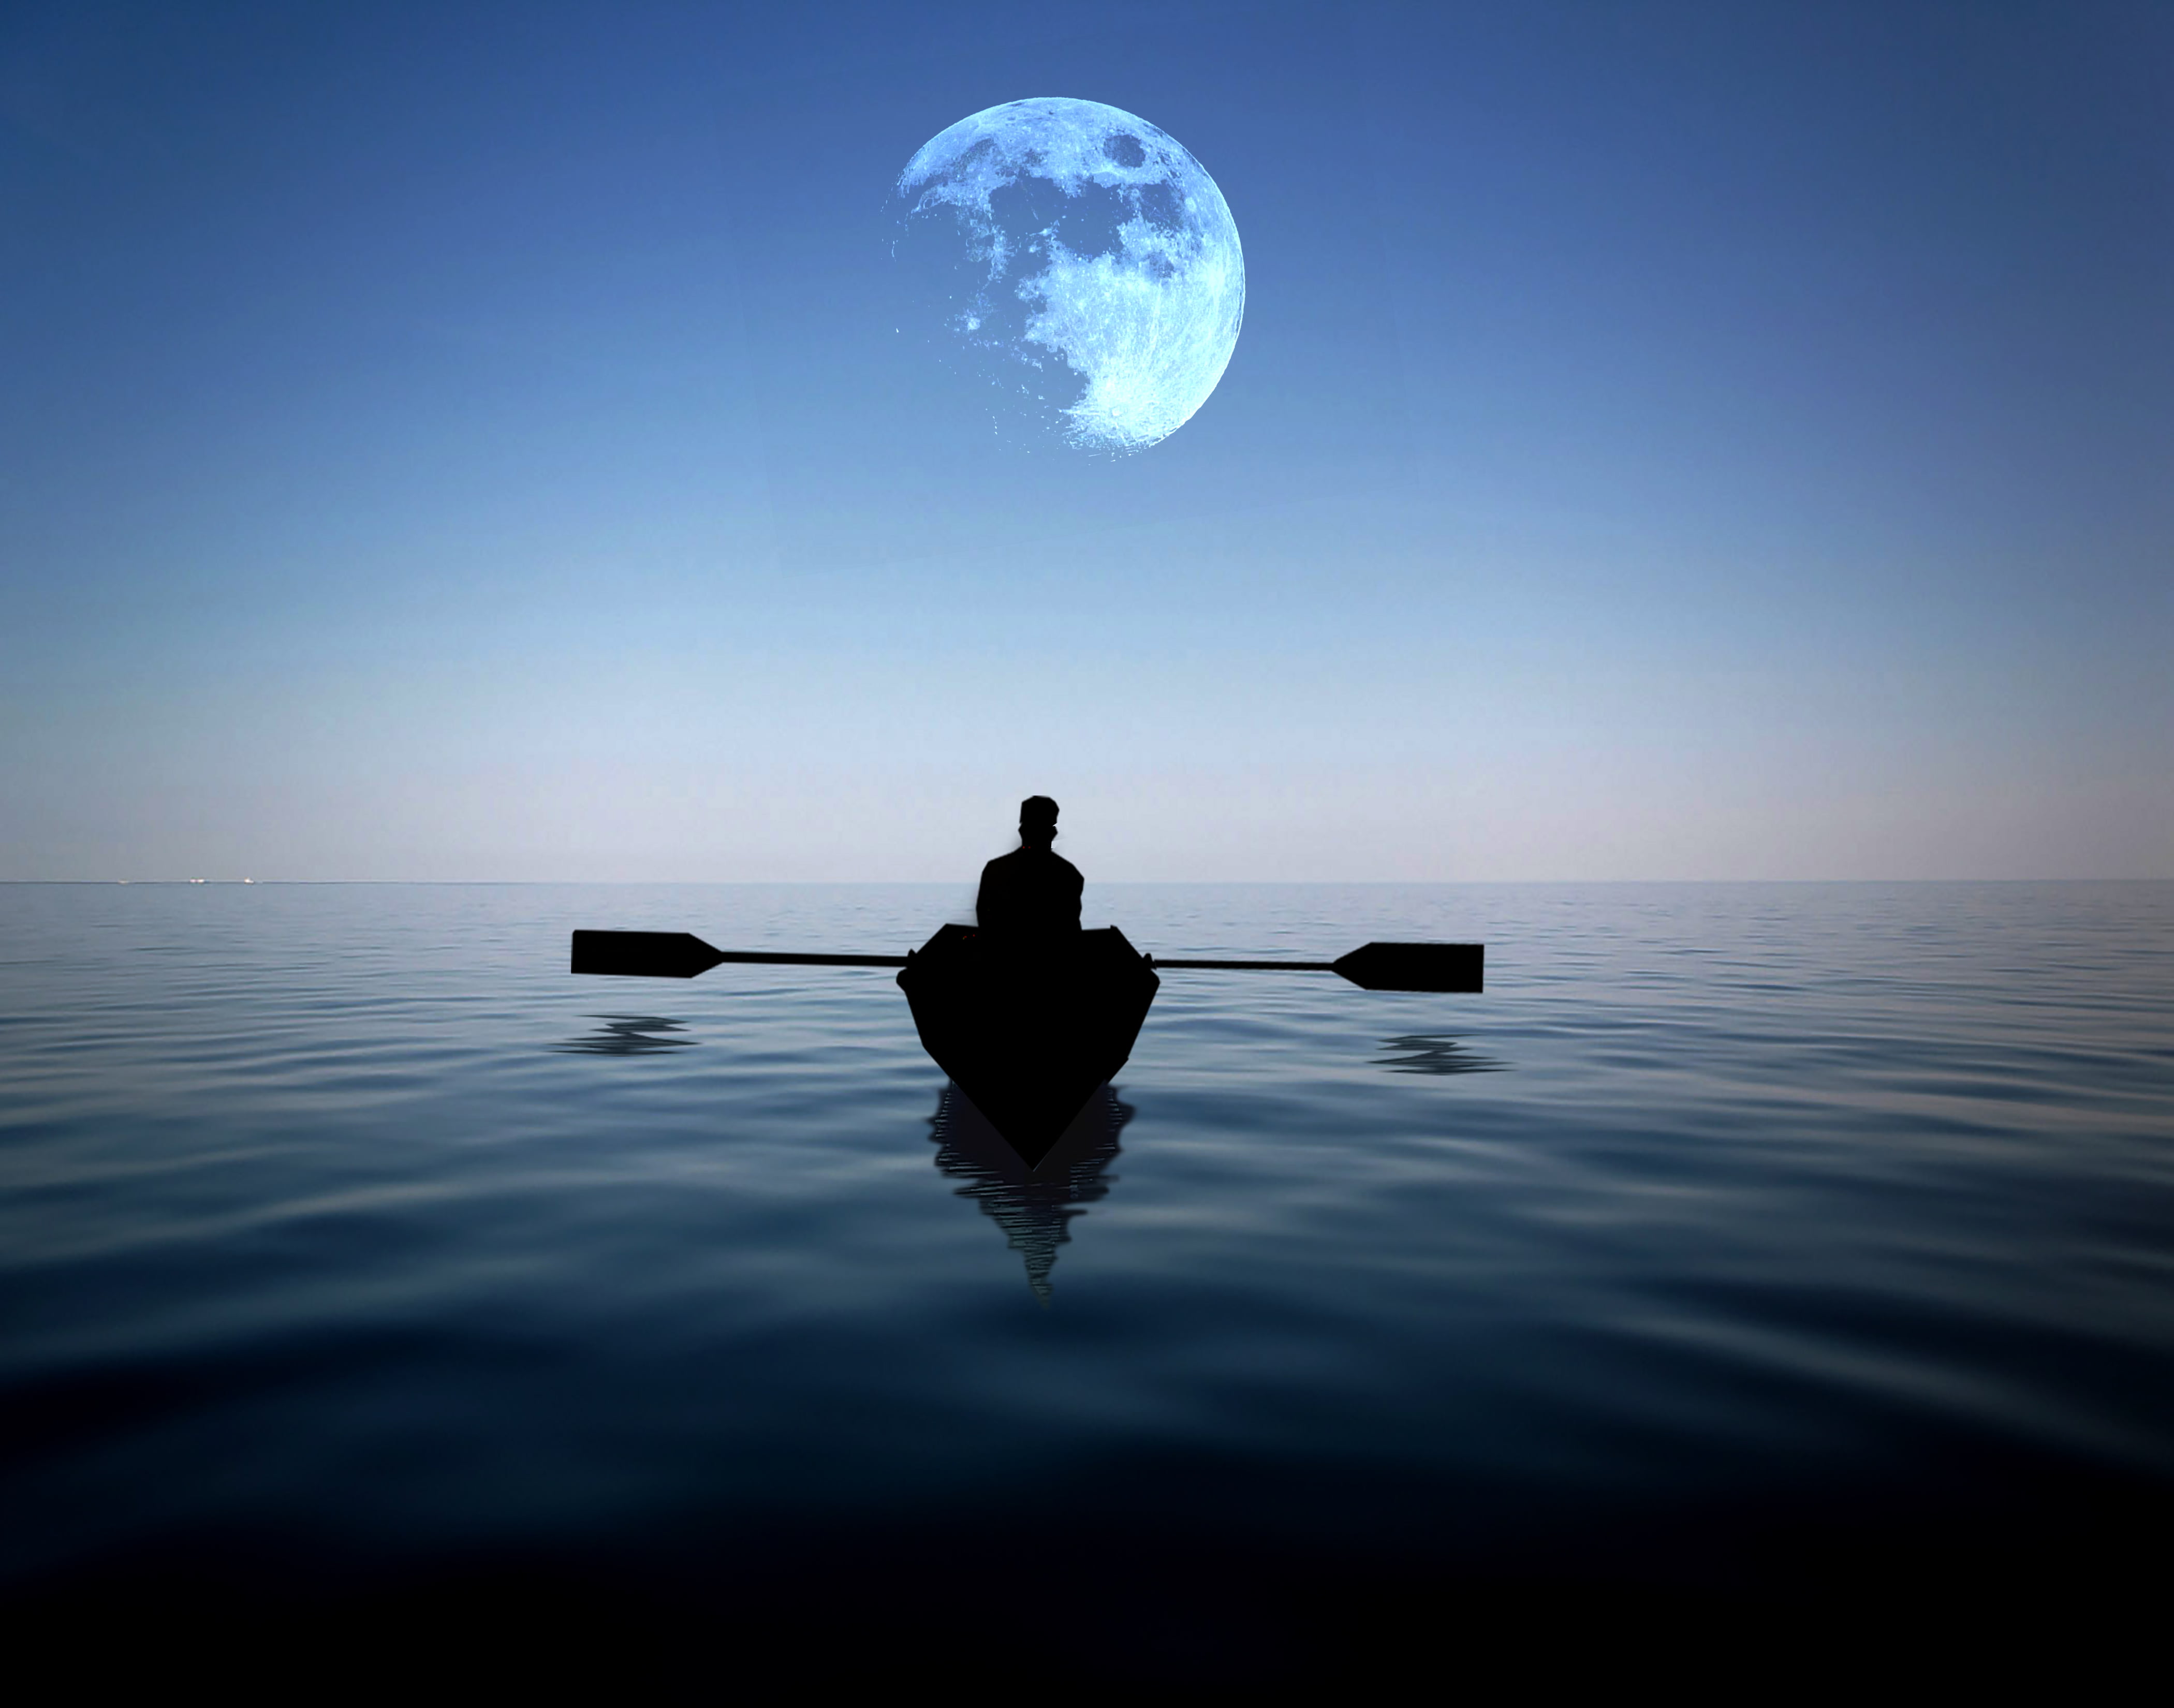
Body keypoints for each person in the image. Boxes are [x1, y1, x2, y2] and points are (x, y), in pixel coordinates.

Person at [975, 796, 1083, 942]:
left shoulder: (995, 871)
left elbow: (986, 924)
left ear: (1022, 831)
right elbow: (1071, 932)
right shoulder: (1069, 875)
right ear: (1053, 833)